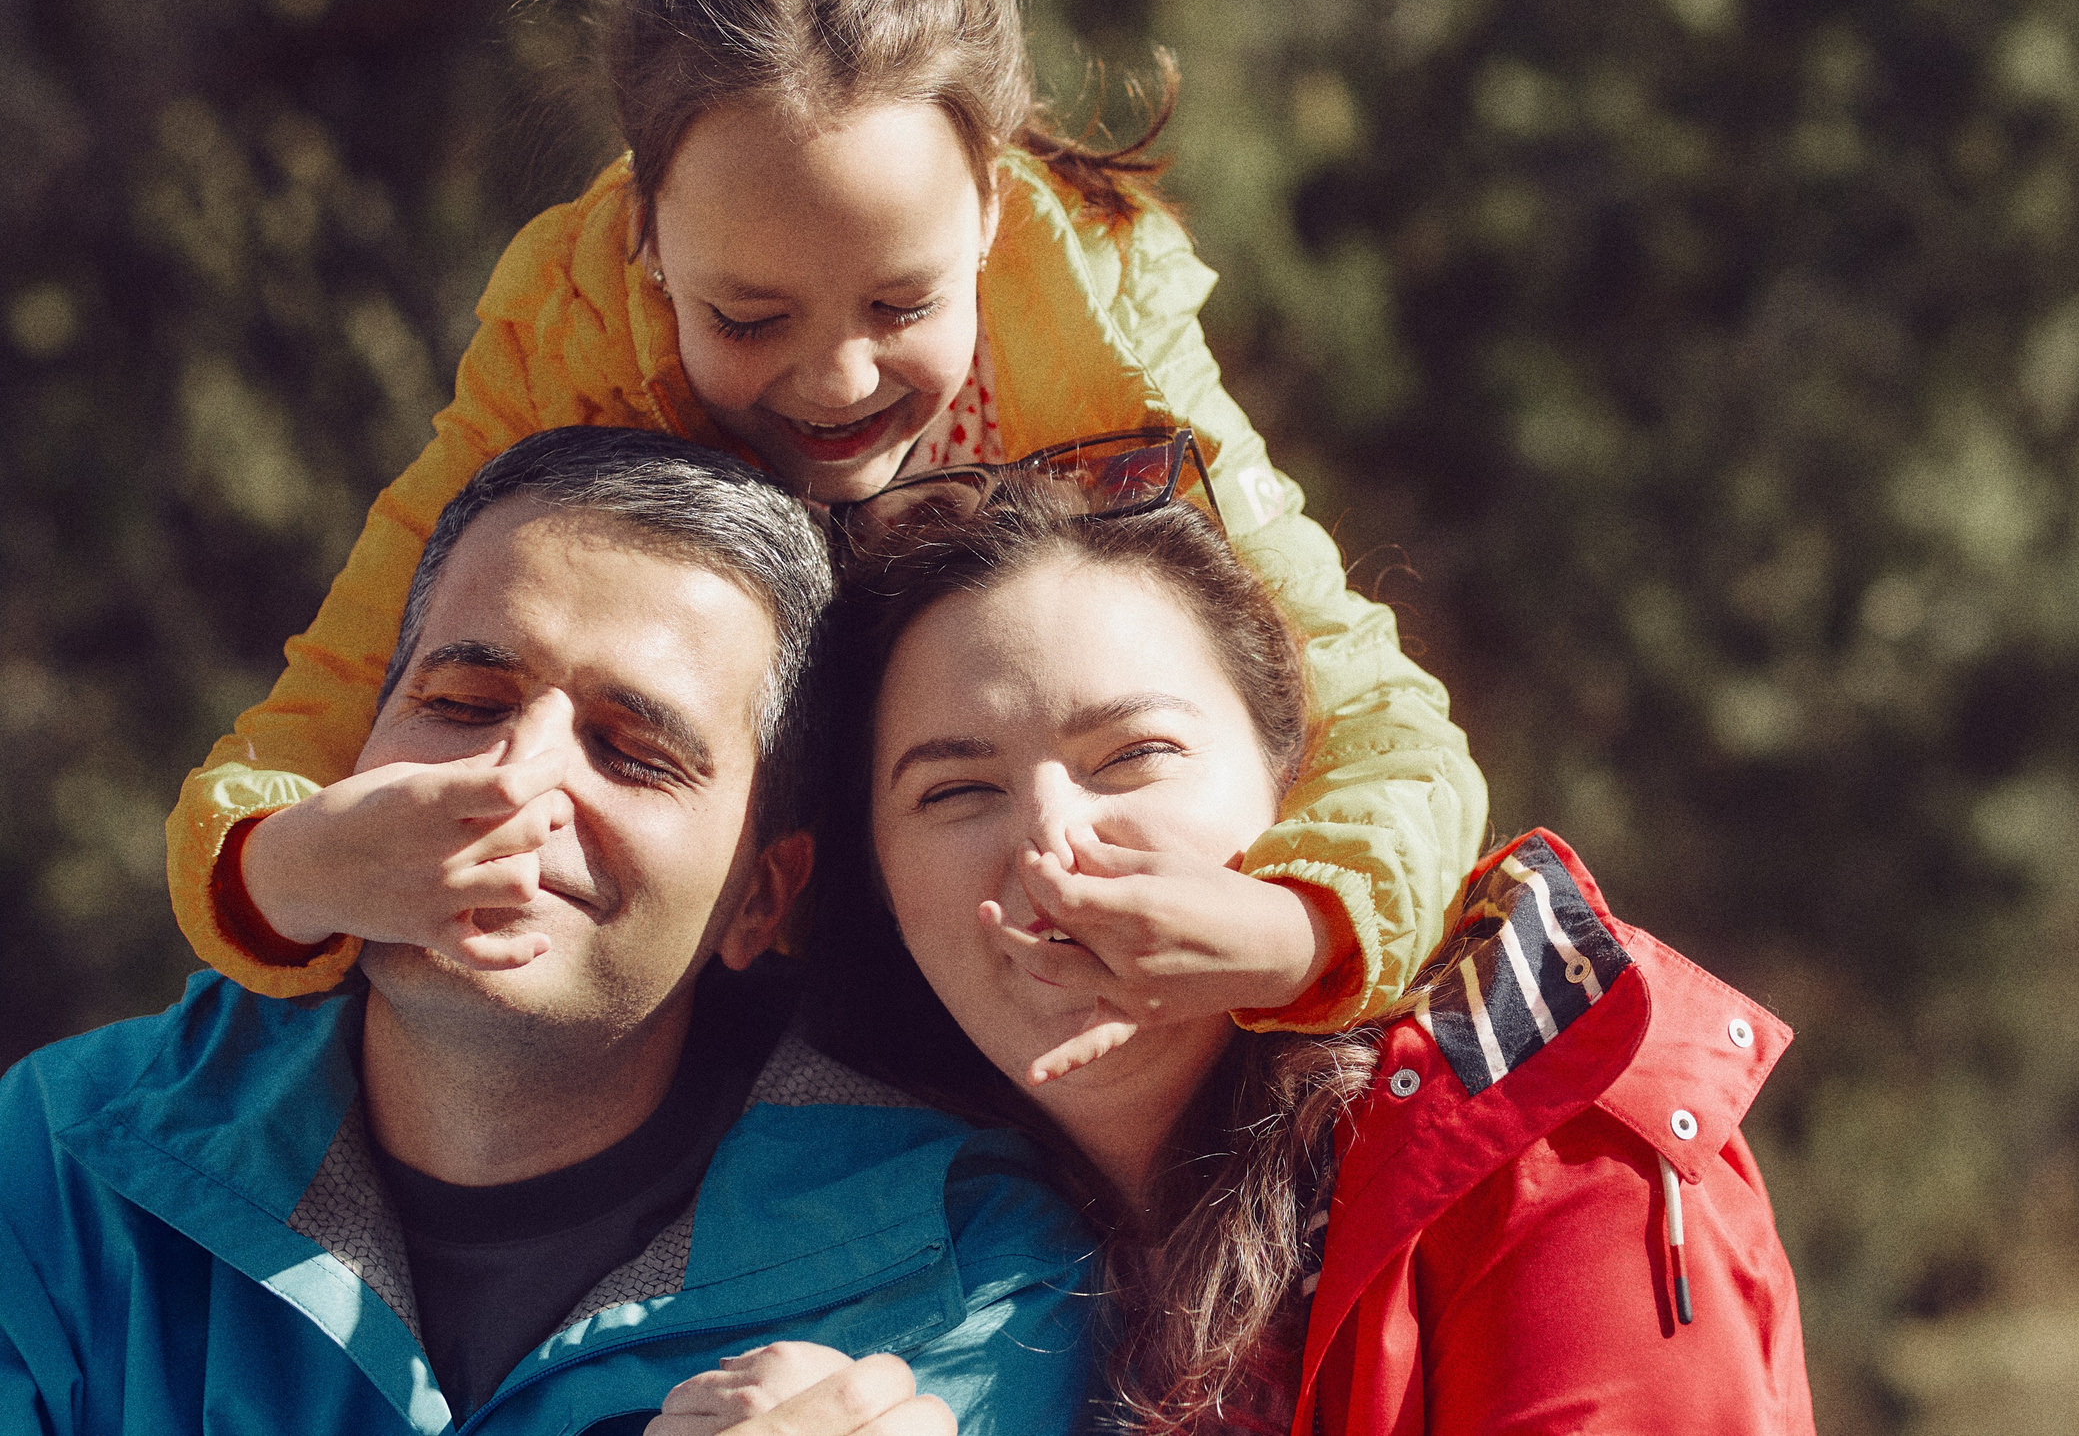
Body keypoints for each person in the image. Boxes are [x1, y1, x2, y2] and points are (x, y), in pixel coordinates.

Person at [163, 0, 1487, 1057]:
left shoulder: (1107, 345)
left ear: (992, 207)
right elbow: (298, 739)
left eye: (903, 306)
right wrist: (298, 869)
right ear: (646, 235)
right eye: (746, 316)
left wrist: (1291, 934)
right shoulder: (565, 354)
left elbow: (1391, 730)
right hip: (725, 1022)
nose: (838, 377)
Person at [660, 480, 1815, 1435]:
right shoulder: (870, 1227)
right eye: (956, 789)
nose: (1049, 842)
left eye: (1133, 756)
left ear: (1293, 791)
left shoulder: (1540, 1149)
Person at [0, 430, 1090, 1435]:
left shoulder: (976, 1274)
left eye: (634, 751)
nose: (513, 781)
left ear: (763, 894)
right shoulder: (61, 1153)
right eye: (465, 703)